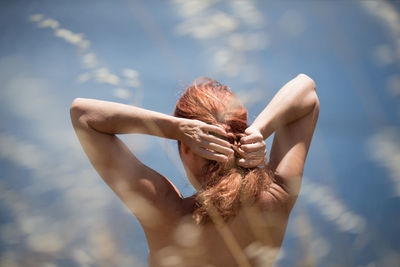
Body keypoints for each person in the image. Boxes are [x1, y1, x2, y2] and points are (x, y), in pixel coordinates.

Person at [70, 74, 319, 267]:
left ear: (186, 148)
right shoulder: (276, 195)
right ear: (240, 134)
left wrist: (176, 128)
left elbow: (83, 114)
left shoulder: (167, 211)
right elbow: (306, 89)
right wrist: (259, 130)